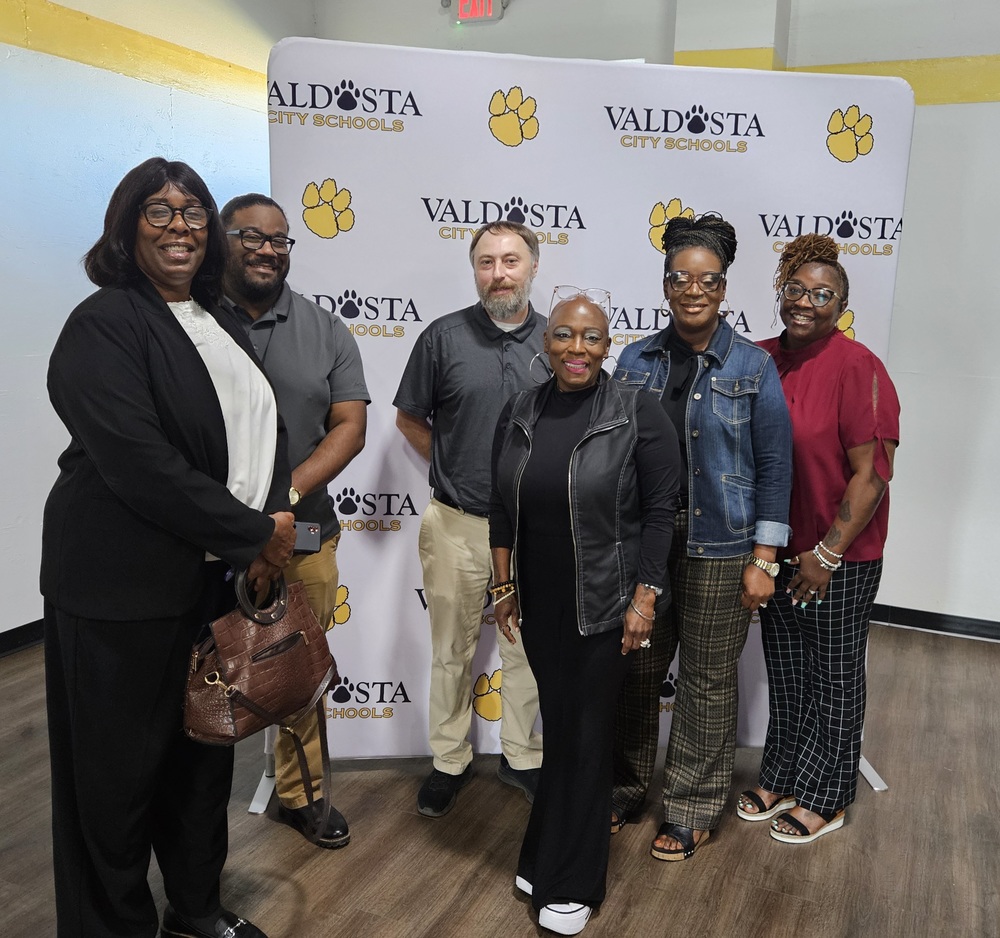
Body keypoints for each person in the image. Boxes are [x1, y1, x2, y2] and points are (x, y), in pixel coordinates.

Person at [41, 158, 294, 938]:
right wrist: (253, 532)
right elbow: (138, 462)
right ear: (125, 227)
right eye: (157, 211)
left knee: (199, 765)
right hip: (117, 589)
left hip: (205, 586)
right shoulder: (105, 322)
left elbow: (251, 434)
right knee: (113, 783)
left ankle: (194, 912)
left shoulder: (217, 320)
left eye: (192, 213)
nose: (178, 226)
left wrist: (265, 525)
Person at [491, 290, 681, 935]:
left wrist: (645, 599)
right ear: (547, 341)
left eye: (592, 337)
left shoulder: (638, 411)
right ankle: (544, 854)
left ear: (608, 344)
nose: (577, 348)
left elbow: (661, 515)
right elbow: (501, 508)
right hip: (541, 603)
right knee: (562, 729)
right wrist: (502, 586)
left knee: (586, 736)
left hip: (605, 605)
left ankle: (574, 881)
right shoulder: (520, 411)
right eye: (566, 335)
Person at [612, 214, 793, 862]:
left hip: (725, 549)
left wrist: (765, 558)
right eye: (681, 278)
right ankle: (626, 786)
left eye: (707, 280)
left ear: (724, 288)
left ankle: (691, 807)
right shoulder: (634, 360)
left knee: (708, 681)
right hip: (649, 545)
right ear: (665, 284)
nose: (694, 290)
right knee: (635, 672)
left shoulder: (753, 366)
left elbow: (775, 465)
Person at [738, 233, 900, 843]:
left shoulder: (859, 367)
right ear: (781, 292)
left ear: (841, 304)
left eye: (822, 294)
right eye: (796, 290)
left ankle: (829, 795)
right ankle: (782, 772)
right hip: (776, 549)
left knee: (833, 670)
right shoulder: (758, 357)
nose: (806, 302)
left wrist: (828, 554)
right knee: (785, 666)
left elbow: (873, 473)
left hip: (840, 555)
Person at [221, 193, 370, 849]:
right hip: (202, 537)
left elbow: (350, 425)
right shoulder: (188, 323)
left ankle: (298, 795)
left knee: (298, 672)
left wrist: (280, 495)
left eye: (280, 239)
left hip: (305, 534)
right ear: (223, 241)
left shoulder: (326, 330)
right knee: (192, 671)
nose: (266, 248)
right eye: (250, 235)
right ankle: (186, 804)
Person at [393, 221, 545, 817]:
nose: (498, 273)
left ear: (533, 265)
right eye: (486, 262)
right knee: (451, 650)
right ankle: (449, 761)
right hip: (457, 524)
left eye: (510, 261)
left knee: (525, 649)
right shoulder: (442, 338)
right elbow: (409, 418)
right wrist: (450, 464)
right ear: (474, 269)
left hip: (534, 530)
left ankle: (521, 757)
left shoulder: (559, 340)